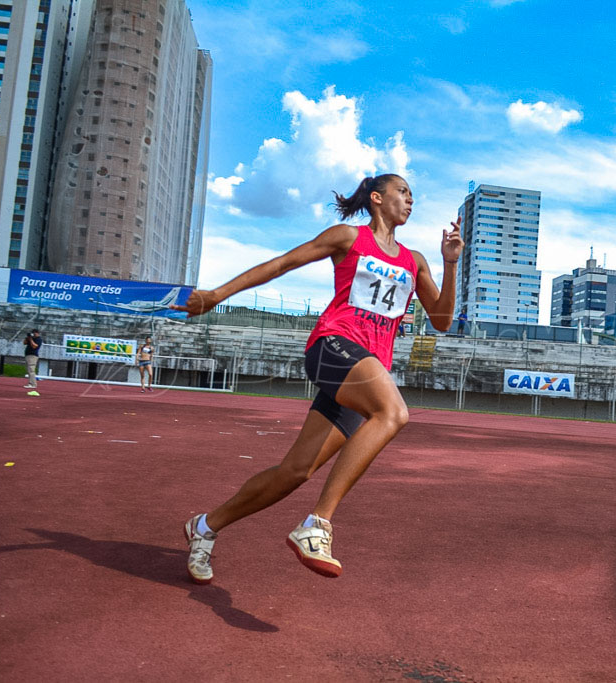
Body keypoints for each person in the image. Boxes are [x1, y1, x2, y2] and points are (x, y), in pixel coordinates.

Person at [173, 173, 463, 584]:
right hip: (333, 346)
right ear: (377, 198)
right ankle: (317, 525)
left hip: (364, 369)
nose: (411, 200)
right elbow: (282, 263)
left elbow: (442, 320)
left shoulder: (414, 261)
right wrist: (216, 295)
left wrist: (450, 264)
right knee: (393, 412)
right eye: (403, 192)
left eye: (414, 195)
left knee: (294, 472)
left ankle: (203, 527)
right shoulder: (348, 237)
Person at [23, 329, 41, 396]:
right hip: (28, 355)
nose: (33, 334)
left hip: (33, 356)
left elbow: (35, 346)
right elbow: (24, 343)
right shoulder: (31, 339)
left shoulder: (38, 339)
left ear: (37, 333)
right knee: (29, 370)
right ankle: (30, 383)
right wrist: (27, 338)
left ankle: (33, 384)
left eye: (34, 333)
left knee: (31, 370)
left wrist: (31, 339)